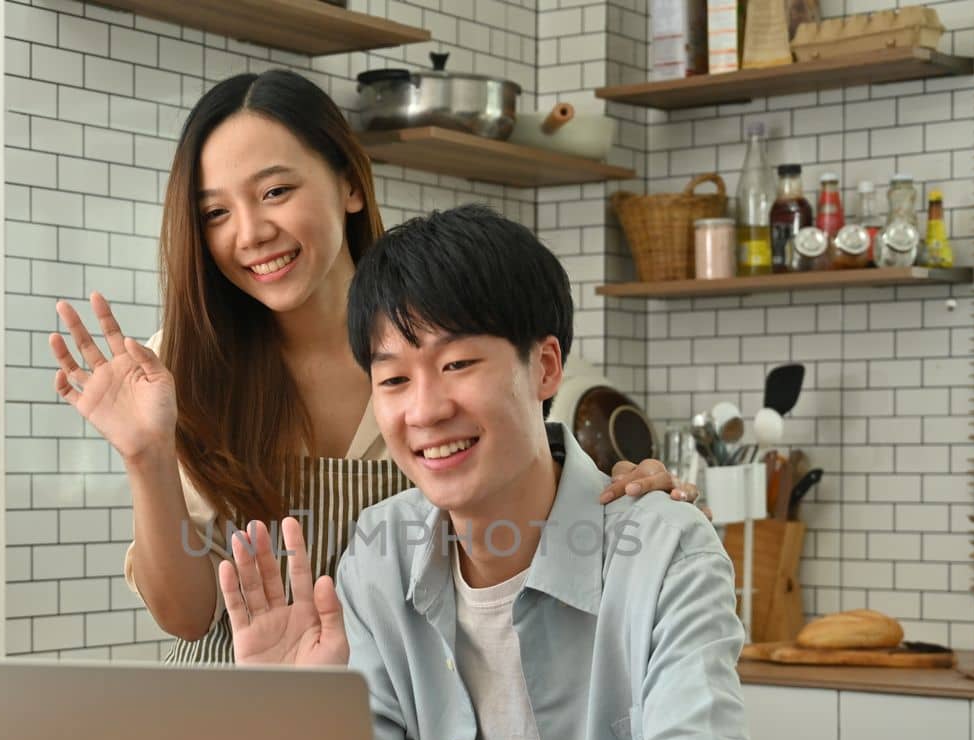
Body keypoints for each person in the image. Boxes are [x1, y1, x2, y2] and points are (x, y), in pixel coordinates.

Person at [217, 205, 873, 740]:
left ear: (545, 366)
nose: (426, 410)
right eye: (394, 379)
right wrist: (288, 717)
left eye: (457, 363)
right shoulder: (380, 547)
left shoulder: (659, 538)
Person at [47, 69, 690, 664]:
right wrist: (146, 454)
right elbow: (187, 618)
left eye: (275, 191)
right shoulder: (179, 366)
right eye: (215, 212)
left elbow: (552, 476)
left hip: (418, 731)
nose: (249, 233)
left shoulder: (447, 333)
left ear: (350, 183)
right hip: (235, 711)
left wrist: (628, 495)